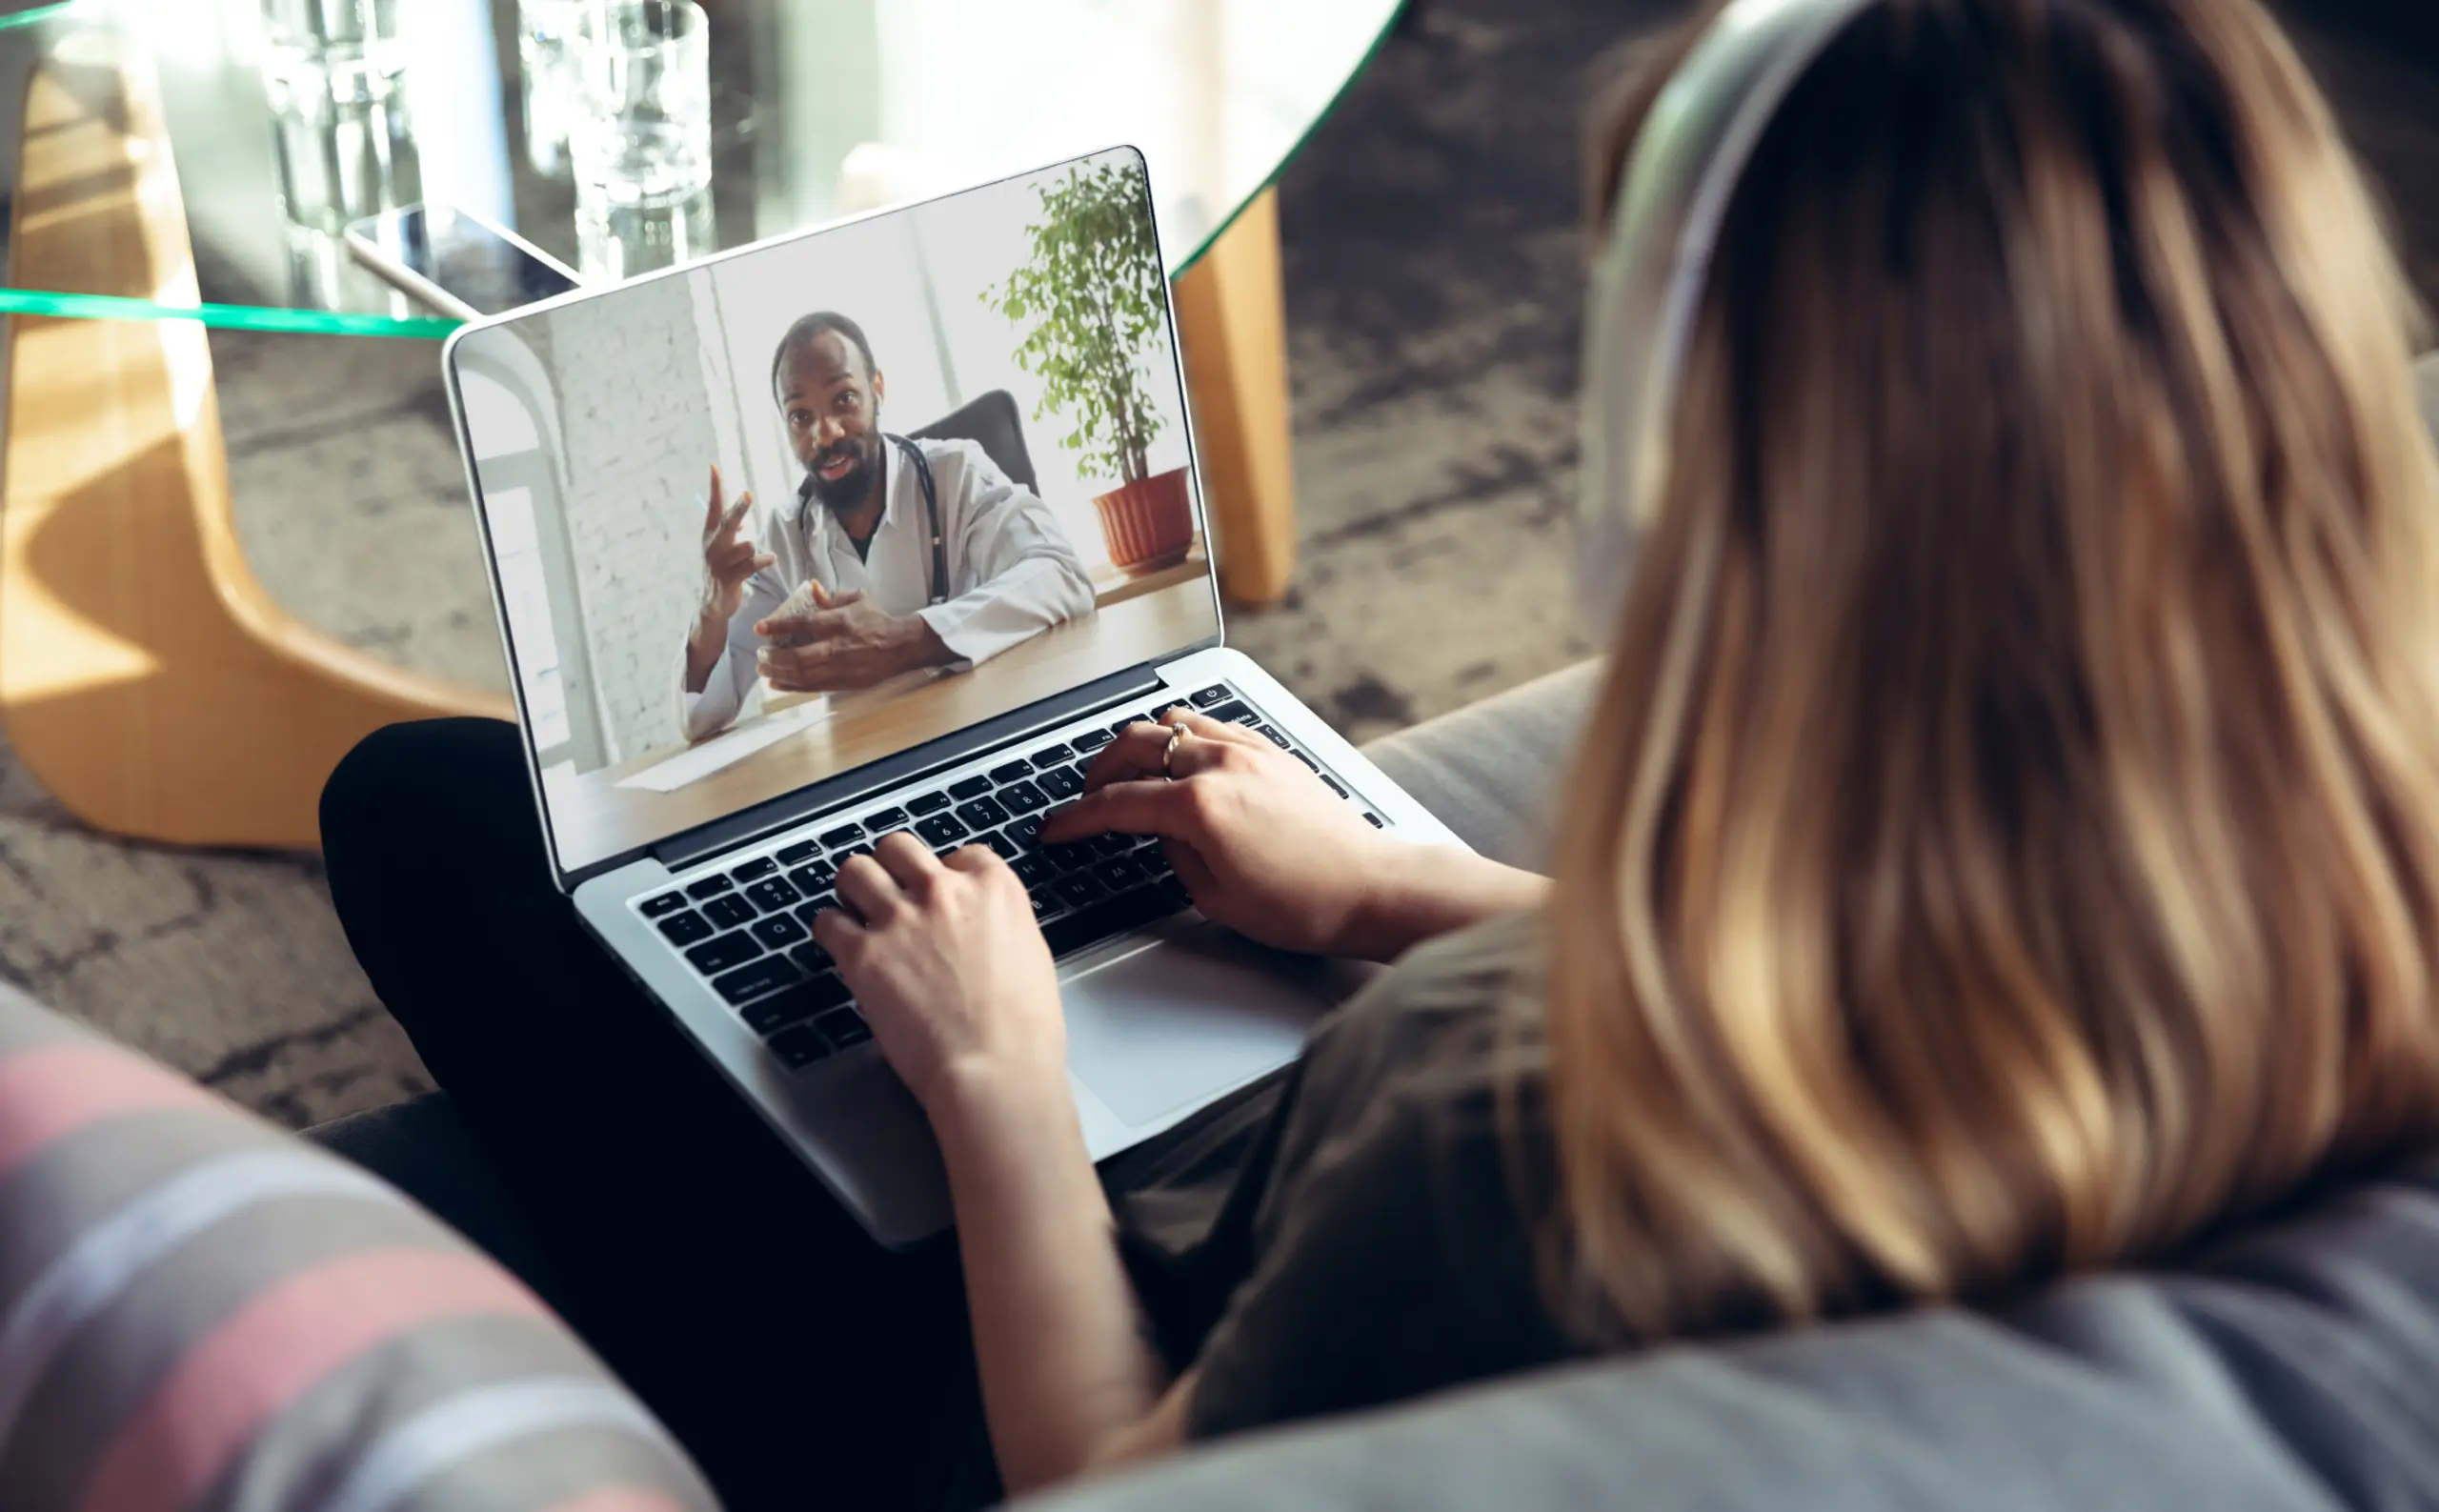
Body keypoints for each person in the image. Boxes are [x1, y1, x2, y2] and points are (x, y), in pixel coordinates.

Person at [318, 0, 2439, 1505]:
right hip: (1297, 979)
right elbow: (716, 704)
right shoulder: (2337, 914)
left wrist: (995, 1089)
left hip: (1056, 1345)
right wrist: (1398, 884)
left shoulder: (1494, 1134)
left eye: (835, 393)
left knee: (424, 810)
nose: (822, 428)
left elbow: (1100, 1472)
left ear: (1667, 500)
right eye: (799, 412)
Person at [677, 311, 1095, 737]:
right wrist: (711, 610)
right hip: (867, 763)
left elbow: (1063, 576)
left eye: (843, 399)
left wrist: (904, 640)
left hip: (982, 731)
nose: (825, 434)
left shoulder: (957, 473)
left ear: (877, 389)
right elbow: (701, 718)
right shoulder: (785, 537)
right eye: (801, 416)